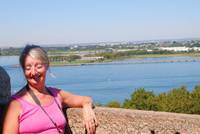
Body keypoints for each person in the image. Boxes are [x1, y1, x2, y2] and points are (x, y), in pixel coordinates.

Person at [3, 45, 98, 134]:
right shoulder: (16, 104)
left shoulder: (56, 95)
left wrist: (87, 107)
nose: (33, 72)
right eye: (28, 68)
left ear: (46, 66)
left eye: (38, 66)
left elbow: (85, 99)